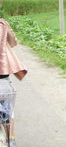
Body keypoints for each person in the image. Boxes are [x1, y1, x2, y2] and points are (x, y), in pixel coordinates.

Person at [0, 19, 27, 147]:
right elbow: (13, 43)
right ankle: (11, 139)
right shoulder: (3, 24)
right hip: (4, 80)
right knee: (9, 111)